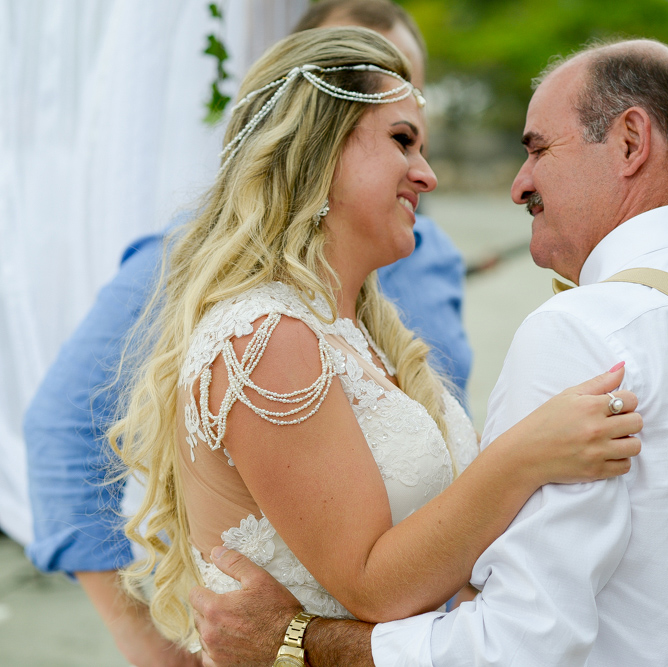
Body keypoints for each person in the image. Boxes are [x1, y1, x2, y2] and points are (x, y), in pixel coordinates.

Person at [190, 38, 668, 667]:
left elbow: (521, 644)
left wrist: (297, 642)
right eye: (403, 142)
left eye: (538, 148)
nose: (518, 186)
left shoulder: (582, 331)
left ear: (630, 142)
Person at [113, 24, 643, 662]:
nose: (428, 176)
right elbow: (373, 585)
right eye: (402, 142)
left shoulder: (360, 336)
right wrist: (527, 454)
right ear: (319, 148)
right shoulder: (264, 338)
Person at [23, 3, 467, 665]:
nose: (424, 168)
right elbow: (60, 431)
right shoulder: (219, 291)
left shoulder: (428, 263)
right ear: (318, 123)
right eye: (398, 134)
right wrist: (155, 649)